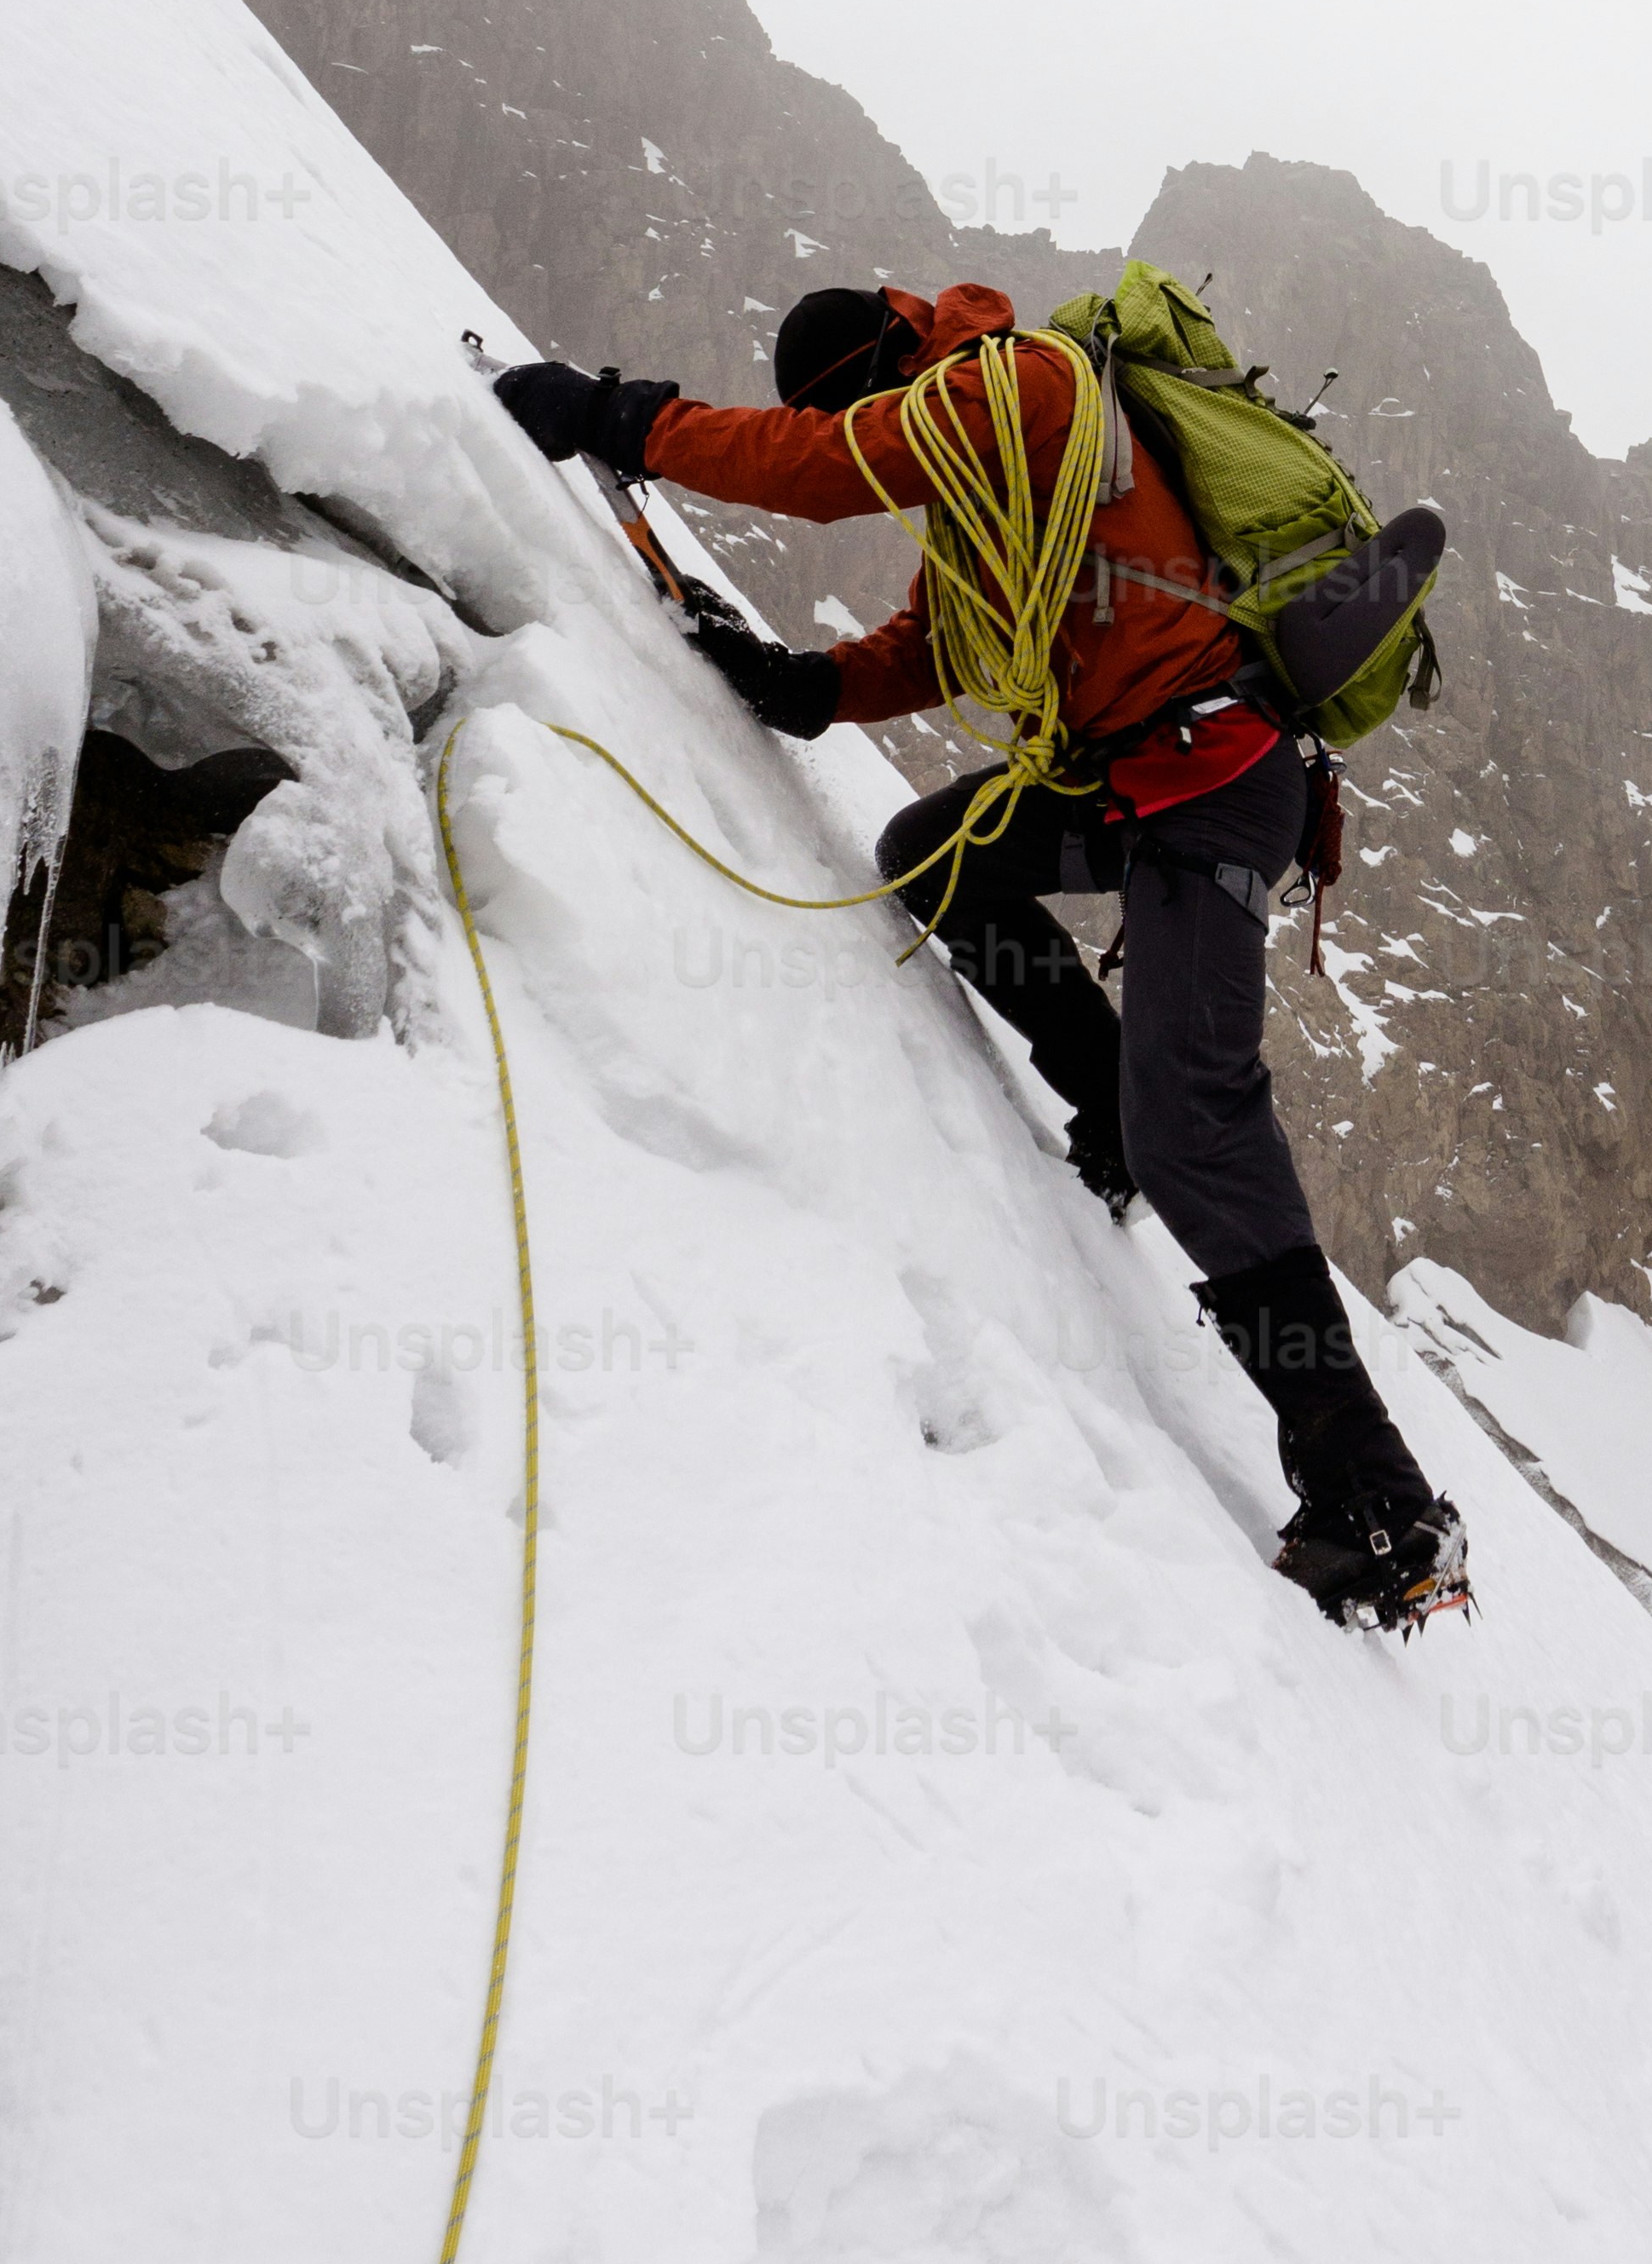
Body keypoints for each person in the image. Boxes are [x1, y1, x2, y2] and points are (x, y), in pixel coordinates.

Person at [492, 280, 1466, 1628]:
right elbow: (945, 637)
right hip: (1145, 775)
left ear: (886, 360)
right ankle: (1111, 1101)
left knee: (1200, 1117)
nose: (863, 425)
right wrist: (815, 685)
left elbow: (829, 468)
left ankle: (1380, 1498)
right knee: (934, 848)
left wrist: (618, 419)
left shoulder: (1020, 388)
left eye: (857, 398)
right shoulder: (989, 478)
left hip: (1212, 777)